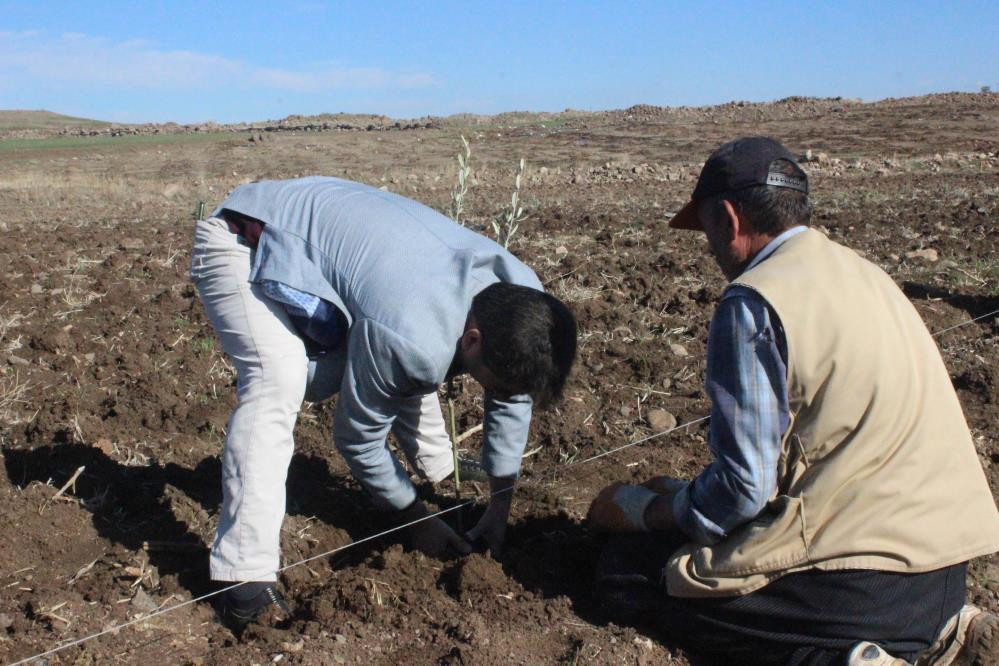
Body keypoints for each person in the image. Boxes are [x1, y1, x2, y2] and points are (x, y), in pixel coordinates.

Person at [587, 137, 999, 665]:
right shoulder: (867, 274)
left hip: (857, 582)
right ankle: (945, 634)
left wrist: (648, 512)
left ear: (729, 220)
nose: (709, 249)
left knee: (628, 572)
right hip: (945, 567)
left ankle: (856, 658)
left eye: (707, 230)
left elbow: (745, 490)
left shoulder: (754, 301)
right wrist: (685, 493)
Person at [189, 176, 577, 631]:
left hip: (354, 255)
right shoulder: (411, 334)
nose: (505, 396)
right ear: (473, 339)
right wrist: (413, 518)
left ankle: (439, 465)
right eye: (500, 387)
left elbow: (511, 394)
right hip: (247, 237)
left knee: (408, 356)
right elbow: (358, 439)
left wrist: (498, 508)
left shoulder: (525, 295)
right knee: (279, 379)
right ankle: (242, 578)